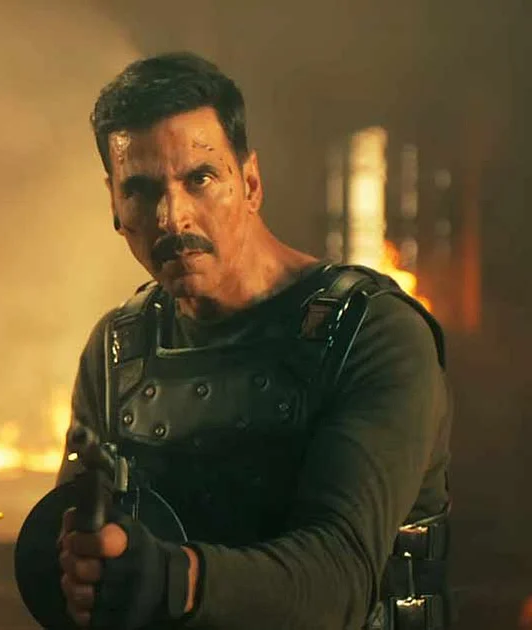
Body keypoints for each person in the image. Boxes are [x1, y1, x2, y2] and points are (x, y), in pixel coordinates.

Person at [51, 53, 451, 629]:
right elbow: (72, 546)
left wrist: (173, 579)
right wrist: (78, 569)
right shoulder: (118, 351)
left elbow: (340, 582)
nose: (172, 217)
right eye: (140, 189)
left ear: (251, 184)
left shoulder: (373, 334)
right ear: (114, 205)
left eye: (200, 179)